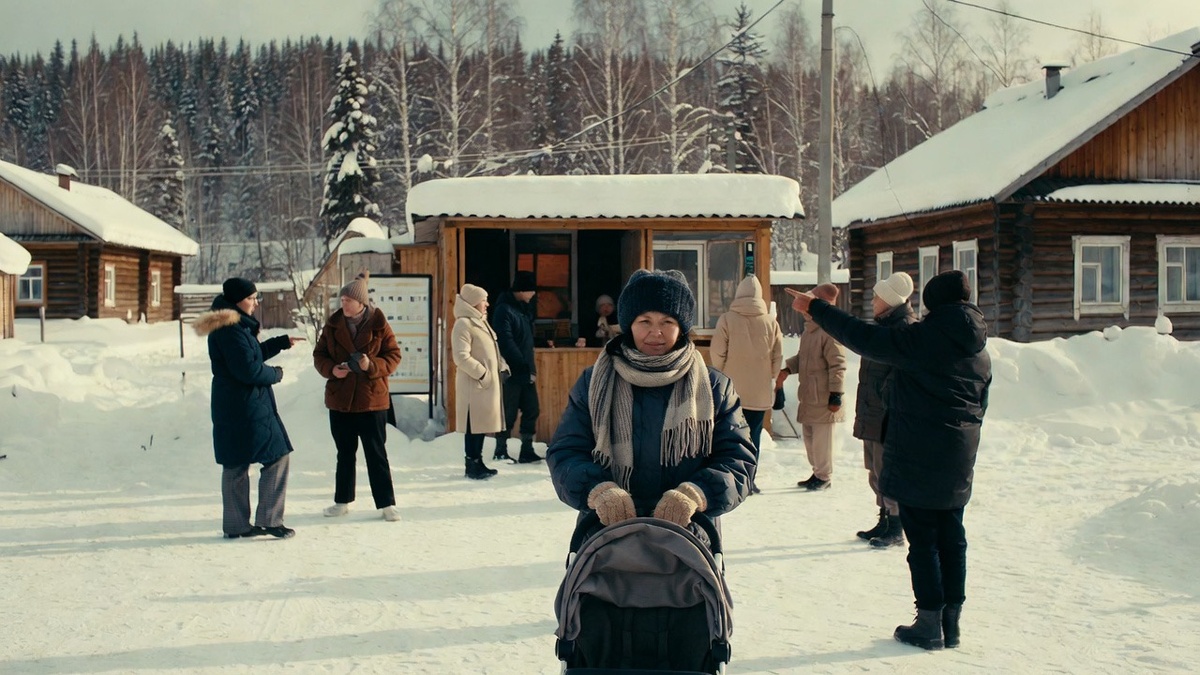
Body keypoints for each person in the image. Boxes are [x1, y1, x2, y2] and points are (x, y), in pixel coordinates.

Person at [787, 269, 991, 651]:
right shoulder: (978, 349)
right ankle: (950, 624)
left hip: (919, 452)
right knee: (952, 538)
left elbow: (863, 338)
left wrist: (816, 307)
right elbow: (982, 402)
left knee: (924, 542)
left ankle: (929, 625)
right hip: (959, 454)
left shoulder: (922, 339)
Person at [546, 269, 756, 534]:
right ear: (629, 324)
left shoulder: (715, 386)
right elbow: (567, 451)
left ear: (681, 327)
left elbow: (738, 459)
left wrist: (697, 493)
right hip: (608, 533)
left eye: (667, 321)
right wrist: (598, 490)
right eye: (644, 321)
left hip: (688, 535)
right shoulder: (594, 382)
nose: (656, 332)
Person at [194, 277, 300, 539]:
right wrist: (276, 374)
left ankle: (236, 525)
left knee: (236, 463)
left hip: (234, 404)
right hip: (245, 405)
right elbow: (248, 370)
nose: (256, 303)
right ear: (236, 301)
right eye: (251, 298)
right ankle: (270, 520)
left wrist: (279, 343)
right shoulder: (230, 329)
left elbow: (249, 355)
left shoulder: (232, 325)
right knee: (276, 456)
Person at [313, 270, 403, 522]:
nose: (343, 304)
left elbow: (394, 356)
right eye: (342, 300)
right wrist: (332, 369)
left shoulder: (379, 324)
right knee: (344, 453)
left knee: (376, 454)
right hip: (340, 400)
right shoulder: (332, 325)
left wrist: (370, 365)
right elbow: (319, 355)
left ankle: (387, 504)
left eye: (348, 300)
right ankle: (341, 502)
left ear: (361, 302)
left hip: (371, 400)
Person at [852, 272, 917, 548]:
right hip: (874, 413)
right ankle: (885, 519)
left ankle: (896, 526)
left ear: (889, 301)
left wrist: (885, 400)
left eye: (877, 297)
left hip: (889, 416)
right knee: (876, 471)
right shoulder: (882, 328)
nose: (872, 301)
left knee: (889, 472)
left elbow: (900, 377)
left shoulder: (903, 330)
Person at [709, 275, 783, 494]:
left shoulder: (727, 319)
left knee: (729, 435)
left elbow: (717, 352)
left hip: (731, 390)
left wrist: (723, 373)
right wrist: (769, 376)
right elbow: (777, 356)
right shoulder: (771, 322)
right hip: (759, 393)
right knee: (754, 437)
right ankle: (750, 481)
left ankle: (730, 478)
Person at [775, 283, 846, 491]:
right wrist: (788, 369)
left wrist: (836, 394)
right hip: (809, 395)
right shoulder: (810, 331)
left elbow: (838, 365)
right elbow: (802, 358)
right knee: (810, 439)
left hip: (824, 397)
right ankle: (817, 473)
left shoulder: (829, 331)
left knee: (822, 441)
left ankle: (824, 476)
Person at [451, 283, 508, 480]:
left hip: (483, 386)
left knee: (480, 425)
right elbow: (461, 356)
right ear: (474, 302)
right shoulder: (463, 324)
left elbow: (491, 350)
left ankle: (478, 461)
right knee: (473, 426)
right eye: (484, 300)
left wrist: (501, 365)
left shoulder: (480, 322)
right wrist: (483, 374)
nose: (487, 304)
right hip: (474, 385)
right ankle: (472, 464)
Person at [490, 269, 542, 463]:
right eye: (531, 290)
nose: (533, 294)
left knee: (532, 409)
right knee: (508, 411)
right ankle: (500, 449)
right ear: (521, 290)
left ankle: (526, 449)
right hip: (512, 371)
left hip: (526, 369)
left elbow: (525, 339)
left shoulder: (523, 309)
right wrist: (520, 364)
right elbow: (505, 340)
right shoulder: (504, 310)